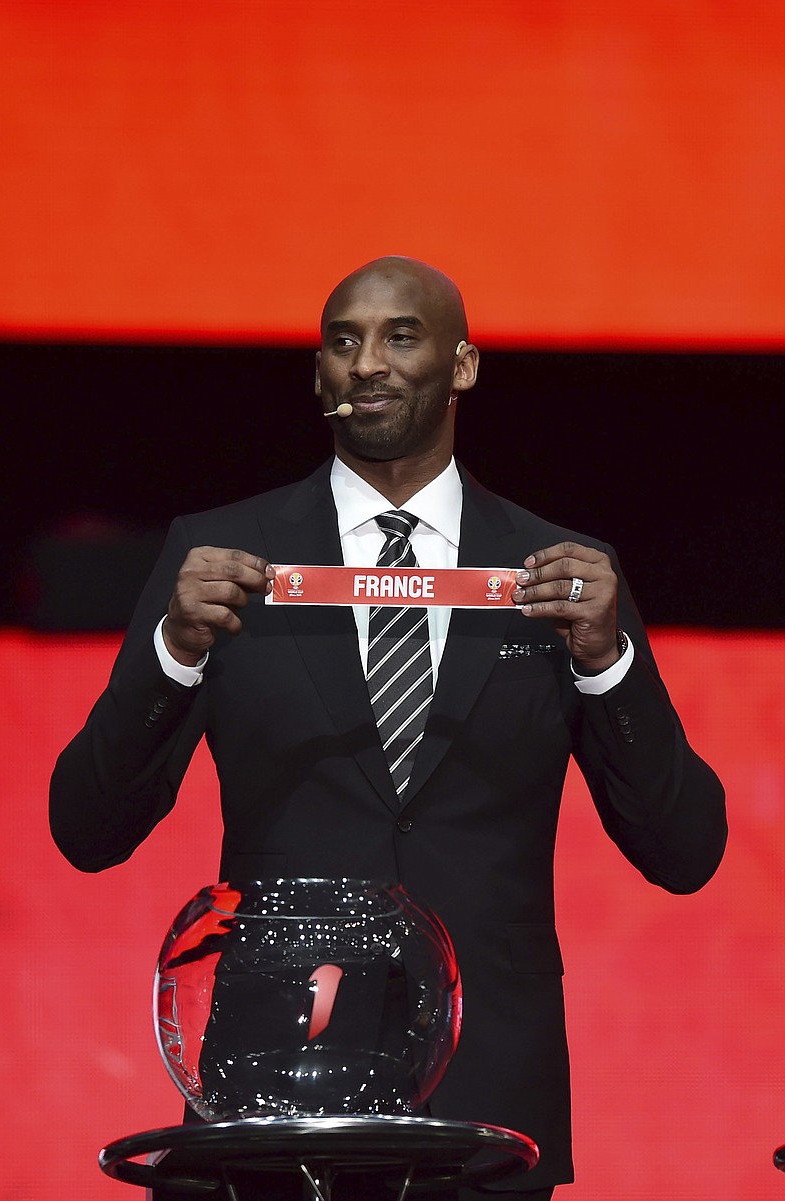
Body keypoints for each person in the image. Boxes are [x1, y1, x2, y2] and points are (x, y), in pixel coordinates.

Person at [50, 256, 727, 1200]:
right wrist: (173, 648)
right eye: (342, 341)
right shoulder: (220, 562)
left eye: (400, 335)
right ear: (319, 375)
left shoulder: (561, 576)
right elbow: (85, 829)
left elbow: (686, 850)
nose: (366, 362)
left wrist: (609, 662)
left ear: (463, 366)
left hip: (489, 1120)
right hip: (268, 1100)